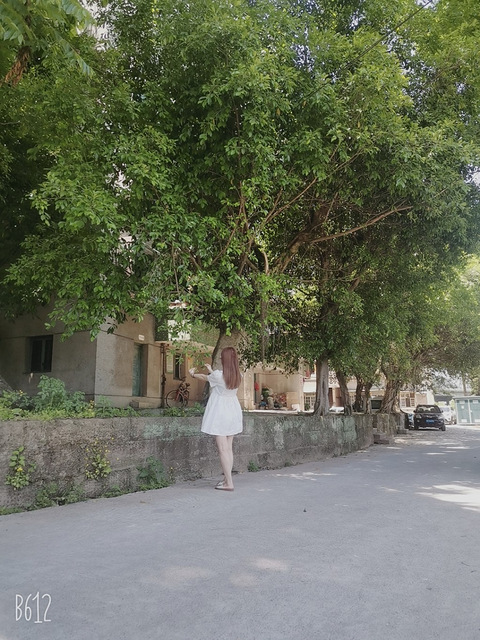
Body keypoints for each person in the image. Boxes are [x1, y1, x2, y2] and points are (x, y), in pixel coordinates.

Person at [189, 347, 243, 491]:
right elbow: (219, 380)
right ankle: (226, 479)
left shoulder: (219, 376)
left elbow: (205, 378)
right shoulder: (239, 376)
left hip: (220, 412)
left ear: (224, 360)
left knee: (222, 449)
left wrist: (193, 374)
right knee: (228, 448)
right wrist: (211, 370)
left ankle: (229, 483)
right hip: (233, 411)